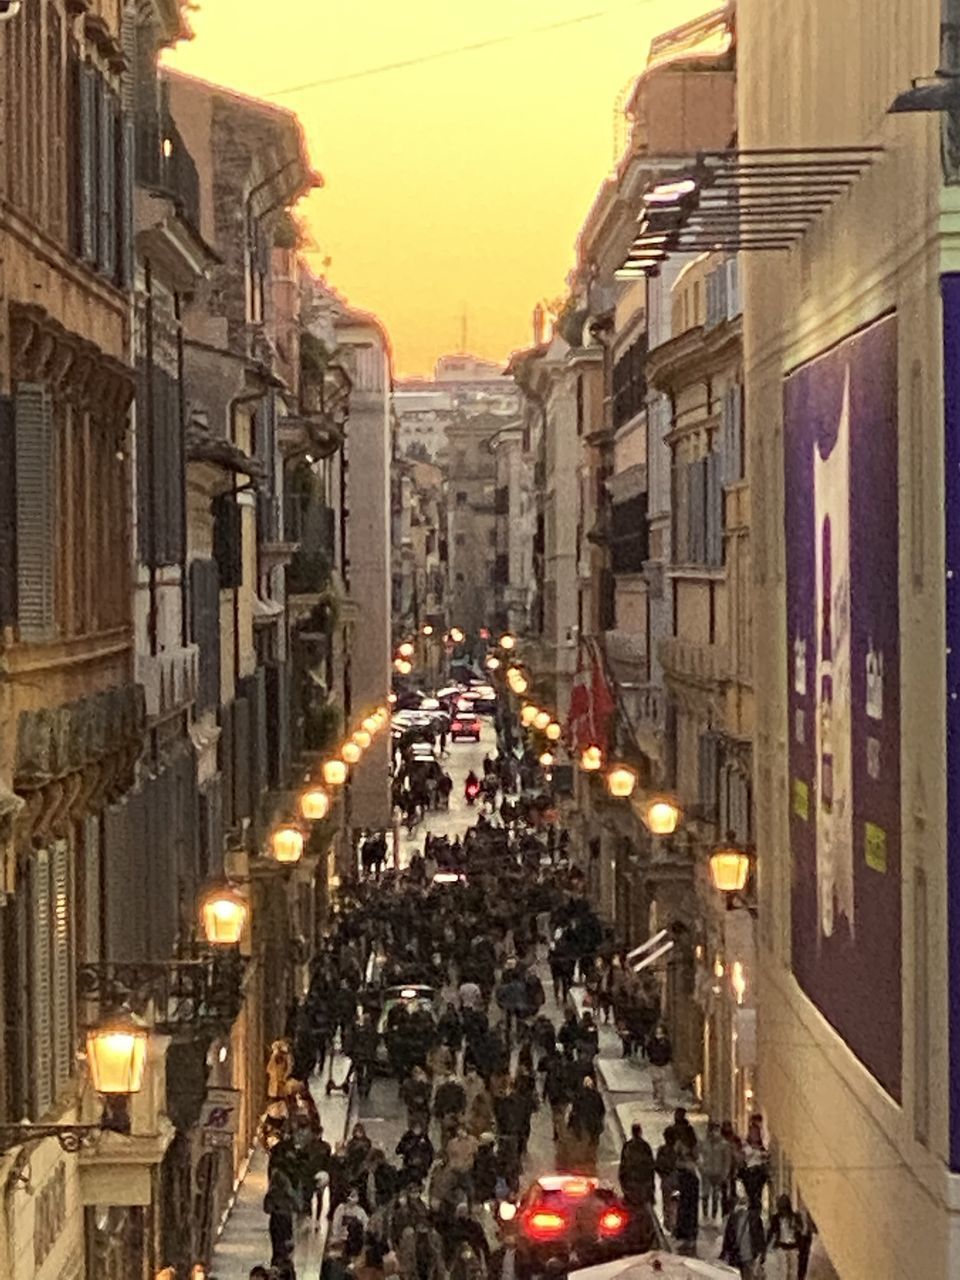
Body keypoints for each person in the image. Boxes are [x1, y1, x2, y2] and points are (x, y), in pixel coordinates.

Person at [720, 1194, 767, 1279]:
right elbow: (760, 1238)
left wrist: (725, 1252)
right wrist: (761, 1254)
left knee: (746, 1276)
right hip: (748, 1255)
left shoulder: (733, 1218)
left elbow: (728, 1237)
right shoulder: (754, 1219)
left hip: (742, 1254)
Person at [700, 1120, 734, 1222]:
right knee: (705, 1195)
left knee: (716, 1195)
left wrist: (725, 1173)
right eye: (711, 1130)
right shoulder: (704, 1144)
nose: (712, 1133)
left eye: (715, 1130)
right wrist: (702, 1168)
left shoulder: (724, 1145)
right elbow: (700, 1157)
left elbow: (727, 1160)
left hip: (718, 1173)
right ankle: (705, 1216)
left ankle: (714, 1216)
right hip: (707, 1173)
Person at [767, 1193, 804, 1280]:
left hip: (793, 1247)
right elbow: (772, 1232)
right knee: (783, 1273)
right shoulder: (776, 1218)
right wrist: (769, 1246)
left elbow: (801, 1231)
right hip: (781, 1248)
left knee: (793, 1274)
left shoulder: (795, 1217)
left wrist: (796, 1226)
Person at [618, 1122, 655, 1208]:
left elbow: (623, 1164)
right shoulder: (645, 1146)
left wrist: (622, 1180)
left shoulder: (628, 1146)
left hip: (632, 1182)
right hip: (642, 1182)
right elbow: (650, 1166)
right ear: (640, 1132)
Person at [738, 1117, 770, 1211]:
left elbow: (765, 1158)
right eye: (752, 1133)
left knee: (757, 1194)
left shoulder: (762, 1148)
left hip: (758, 1173)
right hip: (749, 1173)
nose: (754, 1135)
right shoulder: (745, 1145)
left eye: (755, 1133)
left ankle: (756, 1206)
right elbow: (743, 1156)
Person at [674, 1139, 700, 1253]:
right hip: (686, 1193)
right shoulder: (684, 1165)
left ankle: (688, 1237)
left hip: (688, 1192)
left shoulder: (688, 1165)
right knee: (686, 1213)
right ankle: (687, 1237)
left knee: (688, 1213)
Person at [654, 1127, 679, 1235]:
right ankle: (673, 1225)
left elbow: (657, 1165)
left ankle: (670, 1224)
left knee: (668, 1204)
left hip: (668, 1181)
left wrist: (663, 1175)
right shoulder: (678, 1150)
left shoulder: (663, 1150)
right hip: (676, 1181)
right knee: (675, 1203)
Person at [647, 1024, 672, 1109]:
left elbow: (669, 1052)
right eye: (657, 1033)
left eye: (660, 1033)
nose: (659, 1035)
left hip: (663, 1064)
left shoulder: (666, 1043)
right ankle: (657, 1099)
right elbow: (649, 1050)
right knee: (656, 1083)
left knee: (661, 1083)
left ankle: (661, 1100)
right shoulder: (652, 1042)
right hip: (654, 1064)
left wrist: (666, 1060)